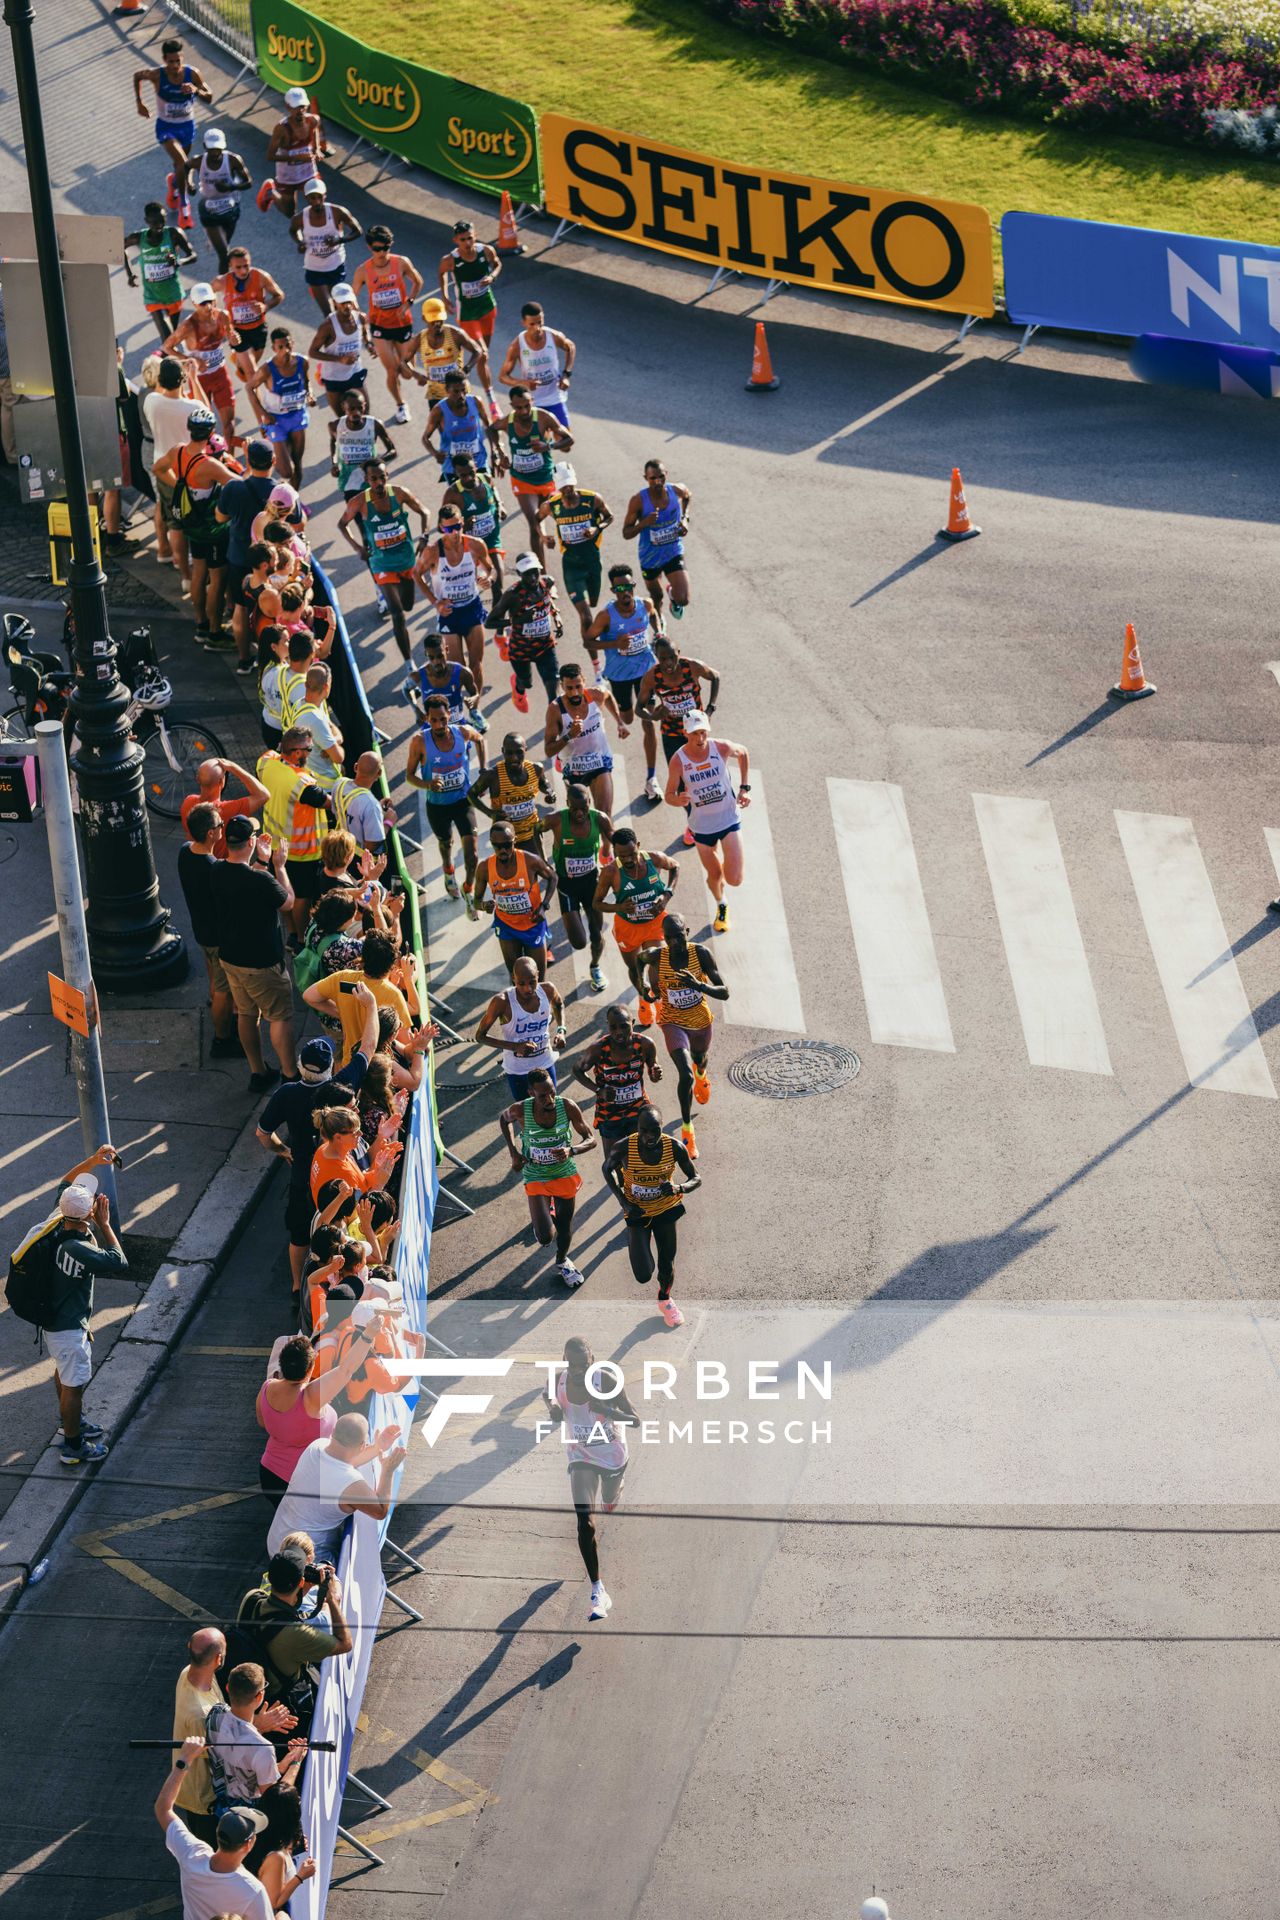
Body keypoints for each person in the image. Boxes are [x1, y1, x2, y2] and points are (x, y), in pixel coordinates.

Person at [257, 991, 375, 1290]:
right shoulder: (342, 1086)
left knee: (299, 1235)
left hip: (302, 1177)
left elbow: (261, 1133)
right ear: (329, 1068)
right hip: (337, 1180)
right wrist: (371, 1005)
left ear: (300, 1065)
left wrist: (283, 1150)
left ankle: (299, 1286)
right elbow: (370, 1045)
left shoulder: (286, 1093)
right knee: (341, 1232)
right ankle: (340, 1284)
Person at [25, 1146, 126, 1466]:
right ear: (86, 1215)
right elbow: (119, 1262)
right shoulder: (80, 1247)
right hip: (69, 1329)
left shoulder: (58, 1220)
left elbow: (64, 1183)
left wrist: (93, 1161)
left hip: (56, 1323)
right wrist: (106, 1223)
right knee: (75, 1384)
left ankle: (73, 1421)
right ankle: (73, 1445)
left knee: (65, 1376)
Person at [541, 1336, 641, 1619]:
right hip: (580, 1456)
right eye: (571, 1365)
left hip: (612, 1455)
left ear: (592, 1361)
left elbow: (635, 1419)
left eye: (582, 1365)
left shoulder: (605, 1380)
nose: (577, 1371)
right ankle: (598, 1591)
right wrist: (553, 1409)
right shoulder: (558, 1381)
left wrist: (606, 1409)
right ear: (565, 1362)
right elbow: (548, 1394)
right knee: (585, 1522)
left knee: (609, 1499)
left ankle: (615, 1491)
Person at [207, 814, 297, 1090]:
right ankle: (290, 1075)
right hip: (263, 963)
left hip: (231, 958)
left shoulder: (217, 870)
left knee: (246, 1013)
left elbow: (245, 880)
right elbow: (288, 903)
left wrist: (262, 863)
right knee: (279, 1016)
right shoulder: (261, 880)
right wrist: (279, 867)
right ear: (250, 842)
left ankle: (258, 1072)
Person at [257, 1329, 383, 1502]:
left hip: (270, 1474)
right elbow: (346, 1369)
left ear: (282, 1363)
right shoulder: (311, 1397)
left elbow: (262, 1422)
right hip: (304, 1484)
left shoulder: (267, 1387)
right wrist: (368, 1334)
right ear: (311, 1367)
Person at [499, 1068, 596, 1288]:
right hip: (535, 1173)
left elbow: (591, 1139)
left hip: (563, 1173)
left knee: (564, 1225)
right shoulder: (520, 1110)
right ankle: (543, 1214)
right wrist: (514, 1153)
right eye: (542, 1095)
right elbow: (503, 1120)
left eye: (552, 1092)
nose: (550, 1099)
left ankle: (562, 1262)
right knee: (544, 1237)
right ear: (531, 1093)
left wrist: (572, 1150)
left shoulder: (567, 1106)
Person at [642, 911, 728, 1160]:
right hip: (672, 1022)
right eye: (669, 938)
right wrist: (645, 989)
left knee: (699, 1060)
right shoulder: (659, 956)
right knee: (685, 1073)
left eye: (679, 936)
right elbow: (638, 961)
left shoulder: (700, 954)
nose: (675, 942)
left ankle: (702, 1073)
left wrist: (699, 986)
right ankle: (688, 1130)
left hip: (700, 1021)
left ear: (687, 933)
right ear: (664, 938)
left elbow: (724, 992)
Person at [154, 1743, 274, 1920]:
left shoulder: (192, 1855)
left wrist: (184, 1759)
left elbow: (163, 1808)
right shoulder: (252, 1891)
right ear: (249, 1844)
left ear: (218, 1834)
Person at [604, 1103, 699, 1327]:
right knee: (643, 1274)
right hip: (637, 1212)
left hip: (666, 1209)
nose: (649, 1136)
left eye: (655, 1130)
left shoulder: (674, 1147)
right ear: (638, 1128)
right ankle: (634, 1236)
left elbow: (696, 1178)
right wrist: (624, 1202)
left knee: (667, 1263)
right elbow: (607, 1169)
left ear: (661, 1127)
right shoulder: (623, 1147)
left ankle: (665, 1300)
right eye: (644, 1130)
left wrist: (678, 1188)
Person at [266, 1413, 407, 1560]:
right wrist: (388, 1470)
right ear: (362, 1446)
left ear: (333, 1432)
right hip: (303, 1559)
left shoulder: (317, 1445)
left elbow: (345, 1461)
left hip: (277, 1542)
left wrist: (378, 1447)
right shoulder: (351, 1483)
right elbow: (380, 1511)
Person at [153, 409, 238, 643]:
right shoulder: (209, 464)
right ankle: (215, 632)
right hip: (211, 528)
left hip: (191, 524)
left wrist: (180, 483)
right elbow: (240, 485)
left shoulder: (178, 451)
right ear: (211, 433)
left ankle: (200, 622)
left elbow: (158, 469)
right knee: (217, 578)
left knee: (198, 572)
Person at [234, 1547, 353, 1711]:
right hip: (282, 1702)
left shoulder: (252, 1598)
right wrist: (332, 1599)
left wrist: (303, 1589)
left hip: (251, 1686)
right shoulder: (296, 1633)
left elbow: (279, 1607)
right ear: (301, 1582)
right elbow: (345, 1644)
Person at [664, 711, 750, 934]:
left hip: (728, 819)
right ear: (685, 733)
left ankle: (724, 872)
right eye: (694, 734)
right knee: (715, 876)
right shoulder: (678, 760)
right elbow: (669, 795)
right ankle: (722, 905)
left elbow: (744, 753)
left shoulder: (720, 747)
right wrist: (677, 799)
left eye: (703, 732)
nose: (700, 739)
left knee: (735, 879)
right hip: (702, 828)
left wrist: (744, 788)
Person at [338, 460, 430, 661]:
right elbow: (342, 524)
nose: (378, 482)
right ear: (366, 480)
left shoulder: (399, 493)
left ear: (387, 475)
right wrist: (358, 547)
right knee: (397, 613)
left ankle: (392, 592)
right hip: (381, 563)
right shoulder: (359, 501)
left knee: (407, 605)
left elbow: (425, 512)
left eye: (382, 477)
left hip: (406, 560)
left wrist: (424, 537)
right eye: (373, 479)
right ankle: (409, 664)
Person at [405, 692, 486, 913]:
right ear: (427, 720)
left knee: (473, 855)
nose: (439, 724)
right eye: (434, 720)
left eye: (443, 718)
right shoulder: (419, 741)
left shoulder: (463, 732)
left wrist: (483, 770)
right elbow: (409, 776)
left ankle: (468, 888)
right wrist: (428, 784)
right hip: (438, 806)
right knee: (446, 843)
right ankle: (448, 869)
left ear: (450, 714)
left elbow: (481, 739)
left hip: (463, 801)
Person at [587, 563, 662, 798]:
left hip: (645, 671)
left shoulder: (645, 605)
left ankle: (651, 778)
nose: (624, 592)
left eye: (628, 586)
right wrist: (614, 644)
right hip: (619, 674)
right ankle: (617, 716)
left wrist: (658, 632)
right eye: (619, 588)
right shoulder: (606, 616)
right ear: (613, 591)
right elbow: (588, 641)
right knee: (629, 718)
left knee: (647, 720)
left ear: (633, 586)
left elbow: (654, 616)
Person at [638, 634, 720, 844]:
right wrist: (652, 716)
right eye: (662, 658)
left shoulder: (692, 667)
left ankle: (713, 815)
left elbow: (716, 677)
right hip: (672, 734)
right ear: (656, 657)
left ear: (679, 654)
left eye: (671, 657)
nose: (668, 663)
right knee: (681, 785)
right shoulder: (651, 677)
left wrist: (710, 709)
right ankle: (694, 823)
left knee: (706, 776)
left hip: (696, 733)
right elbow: (639, 708)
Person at [255, 728, 335, 935]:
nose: (311, 752)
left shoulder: (266, 762)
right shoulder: (302, 784)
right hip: (302, 853)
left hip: (273, 846)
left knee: (283, 893)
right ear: (297, 753)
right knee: (301, 898)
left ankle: (291, 933)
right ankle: (300, 939)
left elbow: (271, 756)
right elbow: (330, 803)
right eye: (309, 748)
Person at [178, 803, 240, 1062]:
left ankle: (216, 1008)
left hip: (201, 930)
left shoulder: (185, 852)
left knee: (215, 979)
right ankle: (222, 1039)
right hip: (218, 936)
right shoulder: (214, 868)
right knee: (223, 991)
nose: (222, 828)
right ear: (211, 834)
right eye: (219, 825)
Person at [301, 930, 418, 1068]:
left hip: (348, 1065)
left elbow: (309, 996)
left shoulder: (343, 978)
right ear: (392, 963)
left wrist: (339, 1012)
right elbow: (407, 1047)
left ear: (363, 956)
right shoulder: (393, 995)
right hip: (378, 1072)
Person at [593, 826, 679, 1013]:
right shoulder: (610, 872)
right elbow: (596, 904)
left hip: (654, 923)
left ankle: (658, 999)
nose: (628, 860)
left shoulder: (655, 858)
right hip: (628, 927)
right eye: (622, 856)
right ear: (615, 852)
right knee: (635, 968)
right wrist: (618, 907)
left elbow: (675, 867)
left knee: (658, 961)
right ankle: (643, 998)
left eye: (632, 854)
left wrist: (667, 895)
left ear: (638, 846)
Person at [205, 1663, 308, 1814]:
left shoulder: (214, 1714)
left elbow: (241, 1768)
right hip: (251, 1821)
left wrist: (280, 1765)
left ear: (228, 1688)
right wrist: (295, 1763)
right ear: (260, 1696)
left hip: (222, 1811)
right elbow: (273, 1800)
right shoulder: (262, 1748)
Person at [416, 503, 495, 693]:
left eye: (457, 526)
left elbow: (491, 569)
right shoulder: (433, 551)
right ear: (442, 528)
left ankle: (475, 708)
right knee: (459, 667)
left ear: (462, 523)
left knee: (476, 665)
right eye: (449, 528)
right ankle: (459, 705)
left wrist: (489, 579)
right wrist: (436, 603)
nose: (455, 532)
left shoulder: (476, 545)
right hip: (449, 613)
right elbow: (416, 574)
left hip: (472, 608)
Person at [351, 225, 423, 425]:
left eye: (385, 248)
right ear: (369, 247)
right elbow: (352, 296)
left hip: (402, 324)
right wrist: (359, 314)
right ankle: (401, 405)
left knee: (407, 373)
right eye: (377, 248)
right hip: (379, 326)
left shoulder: (401, 263)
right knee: (392, 370)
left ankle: (403, 367)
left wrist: (409, 302)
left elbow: (418, 281)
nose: (381, 253)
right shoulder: (363, 271)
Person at [216, 439, 277, 671]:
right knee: (269, 612)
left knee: (240, 607)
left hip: (239, 557)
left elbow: (220, 518)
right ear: (274, 460)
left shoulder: (234, 487)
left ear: (248, 460)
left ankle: (244, 660)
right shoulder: (278, 490)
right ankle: (270, 663)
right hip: (268, 561)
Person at [133, 38, 211, 218]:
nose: (175, 65)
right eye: (171, 61)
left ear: (182, 57)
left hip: (187, 126)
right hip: (166, 127)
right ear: (164, 59)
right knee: (183, 163)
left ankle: (175, 183)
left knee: (182, 165)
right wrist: (140, 103)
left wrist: (196, 90)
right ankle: (184, 206)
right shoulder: (156, 75)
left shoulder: (192, 74)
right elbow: (137, 75)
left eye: (178, 60)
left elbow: (210, 96)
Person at [547, 782, 614, 993]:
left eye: (583, 808)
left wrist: (613, 856)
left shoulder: (600, 818)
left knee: (597, 933)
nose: (579, 813)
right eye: (574, 808)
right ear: (567, 804)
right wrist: (542, 863)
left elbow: (615, 838)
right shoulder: (557, 819)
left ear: (589, 802)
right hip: (567, 886)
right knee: (578, 942)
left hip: (592, 882)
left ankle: (595, 967)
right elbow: (533, 830)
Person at [496, 384, 573, 563]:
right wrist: (499, 452)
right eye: (518, 407)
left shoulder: (544, 418)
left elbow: (569, 439)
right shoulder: (508, 421)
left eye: (527, 405)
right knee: (534, 524)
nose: (523, 410)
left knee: (563, 518)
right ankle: (542, 574)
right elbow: (491, 429)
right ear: (512, 405)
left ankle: (574, 556)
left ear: (532, 401)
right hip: (522, 480)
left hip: (546, 478)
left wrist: (548, 446)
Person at [473, 821, 557, 982]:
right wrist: (484, 906)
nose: (503, 850)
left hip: (532, 924)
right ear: (491, 843)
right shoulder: (484, 868)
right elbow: (476, 902)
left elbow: (553, 877)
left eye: (507, 845)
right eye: (497, 846)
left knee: (537, 980)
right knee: (517, 978)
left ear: (515, 841)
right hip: (506, 926)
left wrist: (544, 906)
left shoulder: (530, 861)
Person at [538, 462, 612, 645]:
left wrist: (597, 528)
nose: (568, 489)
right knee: (585, 614)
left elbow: (609, 517)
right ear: (557, 486)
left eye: (570, 484)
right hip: (571, 564)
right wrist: (544, 536)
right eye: (563, 486)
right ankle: (592, 652)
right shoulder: (552, 505)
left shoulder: (592, 499)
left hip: (592, 559)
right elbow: (536, 518)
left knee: (593, 603)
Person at [475, 954, 567, 1099]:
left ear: (538, 976)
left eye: (532, 982)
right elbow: (480, 1036)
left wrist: (561, 1030)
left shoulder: (548, 990)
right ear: (513, 979)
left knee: (551, 1105)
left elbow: (559, 1004)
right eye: (521, 983)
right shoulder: (502, 1002)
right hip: (518, 1070)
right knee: (526, 1114)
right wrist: (515, 1047)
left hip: (545, 1062)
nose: (528, 989)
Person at [545, 659, 628, 816]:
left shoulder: (596, 695)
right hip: (574, 767)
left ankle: (606, 841)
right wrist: (569, 735)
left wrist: (619, 722)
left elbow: (608, 696)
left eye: (578, 686)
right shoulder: (555, 710)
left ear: (584, 681)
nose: (575, 692)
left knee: (604, 814)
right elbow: (548, 750)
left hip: (600, 760)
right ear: (561, 686)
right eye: (569, 688)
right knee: (579, 817)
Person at [574, 1005, 662, 1150]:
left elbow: (653, 1072)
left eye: (624, 1026)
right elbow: (577, 1070)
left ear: (633, 1023)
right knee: (613, 1163)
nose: (619, 1032)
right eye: (613, 1027)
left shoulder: (645, 1044)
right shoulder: (598, 1049)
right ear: (607, 1026)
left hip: (637, 1107)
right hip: (609, 1112)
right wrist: (598, 1090)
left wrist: (655, 1074)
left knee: (643, 1154)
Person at [487, 552, 562, 715]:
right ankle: (518, 687)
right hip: (521, 650)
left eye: (536, 572)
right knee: (526, 682)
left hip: (545, 646)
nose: (533, 577)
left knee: (553, 685)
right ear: (520, 574)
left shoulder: (546, 583)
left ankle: (556, 723)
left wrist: (557, 616)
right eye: (528, 574)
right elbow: (489, 622)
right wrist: (517, 621)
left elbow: (548, 602)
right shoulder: (512, 595)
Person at [242, 326, 311, 490]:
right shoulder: (267, 369)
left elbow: (307, 383)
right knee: (286, 471)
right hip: (276, 420)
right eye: (280, 347)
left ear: (292, 343)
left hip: (296, 415)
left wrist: (310, 394)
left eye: (288, 345)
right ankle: (276, 495)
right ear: (273, 348)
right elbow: (249, 388)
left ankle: (292, 503)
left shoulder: (302, 362)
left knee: (297, 462)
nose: (285, 350)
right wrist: (263, 414)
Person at [623, 458, 692, 622]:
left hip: (673, 552)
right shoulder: (638, 501)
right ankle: (660, 625)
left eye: (661, 476)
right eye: (652, 478)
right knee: (656, 596)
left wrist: (685, 518)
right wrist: (644, 523)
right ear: (645, 478)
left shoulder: (676, 490)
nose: (658, 481)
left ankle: (673, 595)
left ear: (666, 474)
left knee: (683, 599)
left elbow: (688, 495)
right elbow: (626, 533)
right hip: (650, 557)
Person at [469, 730, 553, 851]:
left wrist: (550, 792)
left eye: (519, 752)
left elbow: (544, 783)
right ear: (502, 751)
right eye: (509, 753)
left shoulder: (536, 769)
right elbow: (471, 794)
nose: (514, 758)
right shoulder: (493, 776)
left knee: (539, 868)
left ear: (526, 749)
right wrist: (489, 813)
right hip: (505, 839)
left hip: (532, 832)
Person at [408, 294, 491, 416]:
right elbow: (403, 361)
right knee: (445, 431)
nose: (437, 324)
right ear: (424, 318)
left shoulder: (455, 334)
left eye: (440, 320)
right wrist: (416, 375)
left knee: (465, 425)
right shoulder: (419, 339)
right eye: (433, 321)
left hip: (460, 392)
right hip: (435, 395)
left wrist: (467, 368)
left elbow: (478, 351)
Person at [124, 204, 197, 342]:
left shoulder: (174, 234)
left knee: (173, 338)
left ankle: (172, 359)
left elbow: (193, 255)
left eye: (163, 220)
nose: (160, 224)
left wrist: (178, 262)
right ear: (146, 221)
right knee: (168, 338)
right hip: (152, 295)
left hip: (173, 293)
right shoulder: (139, 237)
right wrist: (129, 273)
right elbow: (120, 248)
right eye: (155, 221)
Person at [289, 178, 362, 316]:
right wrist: (300, 242)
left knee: (340, 310)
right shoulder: (300, 218)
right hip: (314, 268)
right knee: (329, 315)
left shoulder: (337, 212)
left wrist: (339, 239)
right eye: (312, 198)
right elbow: (293, 230)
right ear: (306, 198)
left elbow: (357, 231)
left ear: (325, 196)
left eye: (319, 197)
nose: (316, 201)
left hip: (335, 266)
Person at [183, 128, 252, 272]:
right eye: (211, 149)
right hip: (209, 209)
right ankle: (224, 288)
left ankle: (214, 240)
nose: (215, 153)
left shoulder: (233, 160)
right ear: (205, 147)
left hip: (231, 207)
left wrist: (230, 187)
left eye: (218, 149)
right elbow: (186, 167)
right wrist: (189, 183)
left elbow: (248, 183)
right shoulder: (198, 161)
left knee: (225, 244)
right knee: (224, 255)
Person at [499, 300, 575, 428]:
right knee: (537, 441)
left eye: (540, 323)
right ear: (523, 323)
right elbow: (503, 377)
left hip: (554, 396)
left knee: (566, 444)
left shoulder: (553, 336)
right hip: (533, 402)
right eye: (532, 324)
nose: (537, 328)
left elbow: (571, 347)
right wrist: (524, 383)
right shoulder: (517, 346)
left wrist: (566, 374)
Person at [441, 448, 504, 603]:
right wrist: (462, 526)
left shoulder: (486, 479)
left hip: (491, 540)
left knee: (498, 587)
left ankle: (500, 626)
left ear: (476, 466)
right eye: (463, 475)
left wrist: (500, 505)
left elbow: (495, 491)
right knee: (469, 595)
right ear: (456, 474)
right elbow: (440, 526)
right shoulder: (453, 493)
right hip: (470, 547)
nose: (469, 477)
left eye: (471, 472)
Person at [244, 1783, 316, 1911]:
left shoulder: (259, 1834)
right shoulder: (276, 1858)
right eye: (298, 1802)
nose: (300, 1802)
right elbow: (273, 1902)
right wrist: (301, 1876)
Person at [423, 366, 500, 485]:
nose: (461, 395)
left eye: (464, 390)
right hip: (454, 468)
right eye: (456, 391)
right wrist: (435, 453)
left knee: (488, 496)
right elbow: (425, 438)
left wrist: (495, 451)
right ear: (447, 390)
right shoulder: (439, 411)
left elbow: (489, 426)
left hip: (478, 461)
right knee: (462, 501)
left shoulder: (475, 402)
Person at [220, 247, 284, 383]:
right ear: (230, 266)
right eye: (238, 267)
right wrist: (225, 325)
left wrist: (265, 306)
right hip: (237, 331)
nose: (243, 271)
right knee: (252, 373)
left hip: (258, 328)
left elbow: (279, 295)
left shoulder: (261, 277)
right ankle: (258, 402)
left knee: (249, 366)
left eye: (246, 266)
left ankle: (238, 361)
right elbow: (207, 298)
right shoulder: (222, 281)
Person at [308, 281, 370, 415]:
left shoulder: (361, 318)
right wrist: (339, 359)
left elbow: (365, 333)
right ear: (335, 303)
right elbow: (312, 352)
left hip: (355, 372)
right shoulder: (328, 326)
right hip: (334, 377)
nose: (347, 306)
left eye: (349, 301)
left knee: (365, 413)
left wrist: (369, 345)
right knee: (342, 419)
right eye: (342, 303)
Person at [439, 218, 501, 350]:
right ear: (455, 240)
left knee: (485, 352)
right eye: (462, 239)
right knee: (481, 351)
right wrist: (444, 297)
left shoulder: (486, 250)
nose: (467, 242)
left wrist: (492, 277)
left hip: (487, 305)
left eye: (470, 238)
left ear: (475, 236)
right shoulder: (450, 260)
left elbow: (497, 264)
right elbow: (441, 273)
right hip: (467, 311)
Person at [411, 631, 485, 735]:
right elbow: (406, 690)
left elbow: (475, 693)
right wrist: (416, 710)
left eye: (440, 656)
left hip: (457, 726)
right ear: (426, 654)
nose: (436, 661)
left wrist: (473, 701)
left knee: (477, 742)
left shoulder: (462, 673)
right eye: (431, 657)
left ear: (446, 650)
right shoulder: (418, 675)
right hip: (431, 730)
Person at [265, 87, 324, 218]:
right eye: (296, 107)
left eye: (303, 107)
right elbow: (270, 156)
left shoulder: (313, 120)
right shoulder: (281, 129)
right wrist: (297, 157)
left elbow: (314, 132)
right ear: (288, 107)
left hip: (308, 171)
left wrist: (317, 149)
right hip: (288, 176)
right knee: (290, 213)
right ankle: (270, 192)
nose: (300, 111)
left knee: (319, 199)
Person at [329, 384, 395, 500]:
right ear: (343, 407)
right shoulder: (335, 426)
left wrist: (376, 463)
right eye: (352, 409)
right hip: (348, 481)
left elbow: (392, 450)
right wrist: (334, 464)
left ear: (365, 406)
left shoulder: (374, 424)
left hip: (372, 480)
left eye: (360, 408)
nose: (357, 413)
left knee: (373, 512)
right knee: (356, 514)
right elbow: (334, 444)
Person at [331, 749, 394, 854]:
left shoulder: (339, 784)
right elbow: (372, 845)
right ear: (379, 773)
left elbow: (341, 810)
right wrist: (388, 822)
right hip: (358, 859)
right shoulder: (371, 805)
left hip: (340, 849)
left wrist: (377, 808)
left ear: (356, 767)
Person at [293, 663, 342, 791]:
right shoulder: (316, 720)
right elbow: (338, 757)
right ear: (326, 686)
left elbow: (330, 725)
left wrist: (336, 739)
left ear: (305, 684)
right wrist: (336, 742)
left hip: (308, 778)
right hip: (324, 788)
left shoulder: (301, 704)